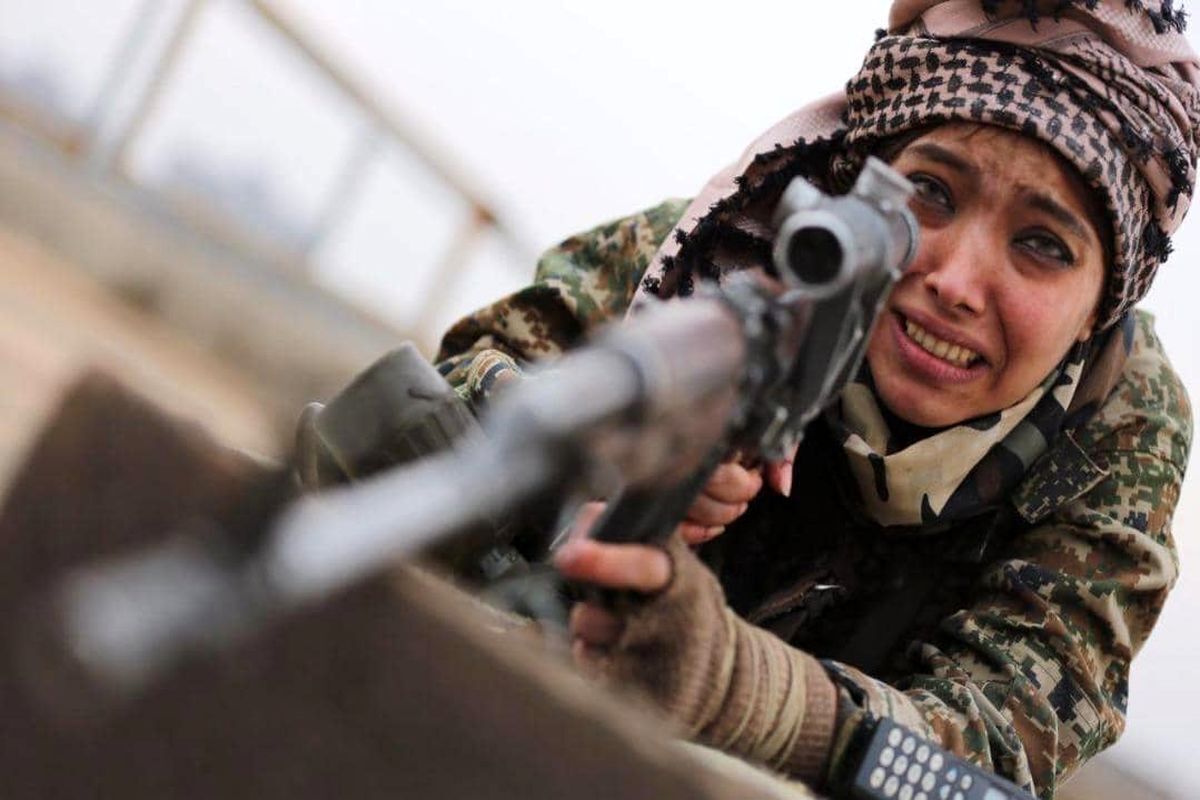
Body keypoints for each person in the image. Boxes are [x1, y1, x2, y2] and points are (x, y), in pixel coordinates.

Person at [432, 2, 1198, 797]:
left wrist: (739, 687)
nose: (955, 283)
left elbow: (991, 762)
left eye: (1042, 244)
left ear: (1100, 307)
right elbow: (447, 394)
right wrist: (599, 466)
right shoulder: (718, 252)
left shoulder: (1121, 425)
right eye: (930, 192)